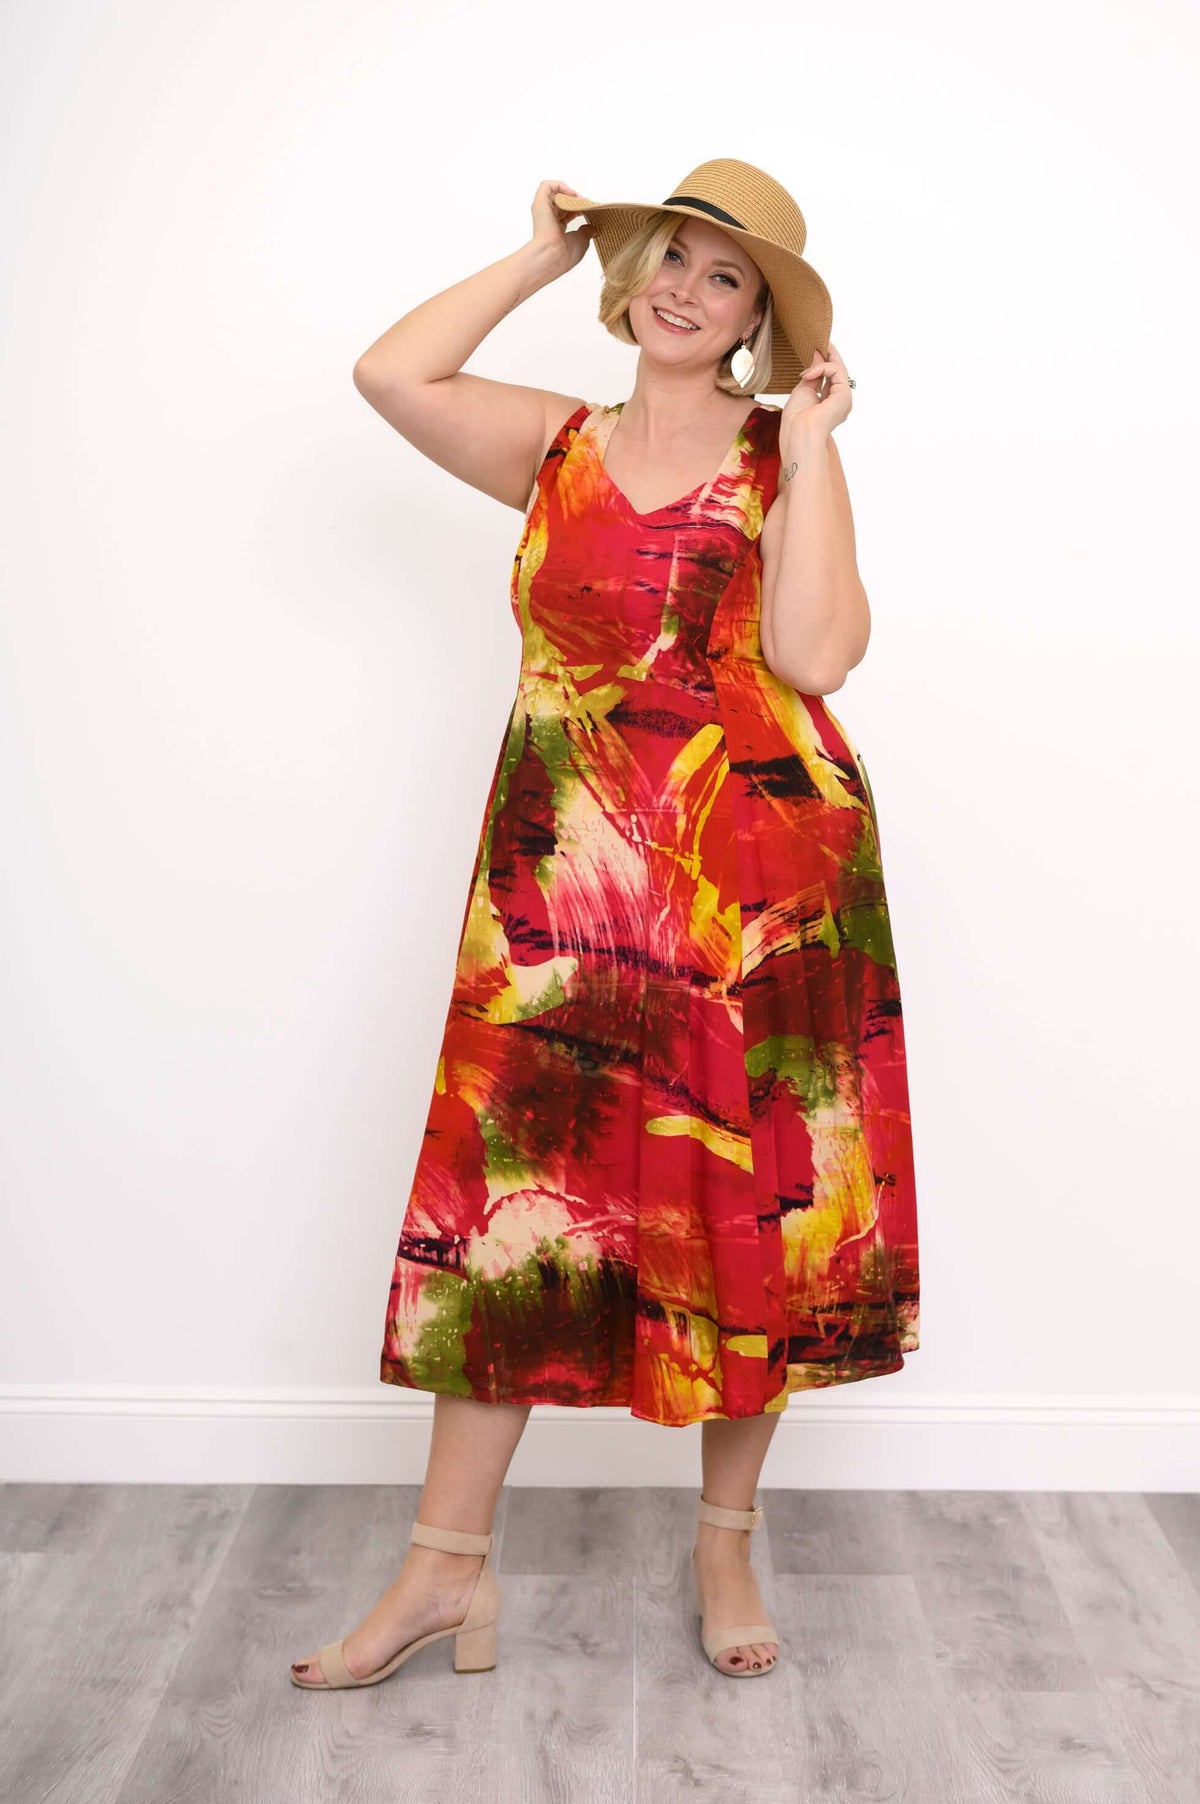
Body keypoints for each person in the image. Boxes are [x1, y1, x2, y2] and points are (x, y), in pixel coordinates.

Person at [290, 159, 919, 1692]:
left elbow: (817, 652)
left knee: (752, 1208)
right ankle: (443, 1572)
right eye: (671, 259)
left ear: (761, 324)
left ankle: (725, 1539)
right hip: (559, 882)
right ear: (631, 272)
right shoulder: (555, 444)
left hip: (758, 879)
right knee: (508, 1206)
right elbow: (391, 371)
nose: (685, 292)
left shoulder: (782, 454)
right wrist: (533, 254)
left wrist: (819, 446)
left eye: (725, 279)